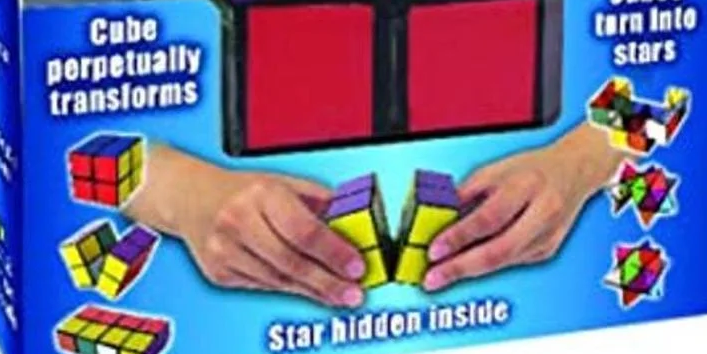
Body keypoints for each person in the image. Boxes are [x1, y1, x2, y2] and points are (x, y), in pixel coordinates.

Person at [126, 119, 618, 305]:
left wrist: (580, 159)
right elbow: (87, 132)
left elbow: (653, 75)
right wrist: (180, 189)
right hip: (218, 331)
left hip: (543, 317)